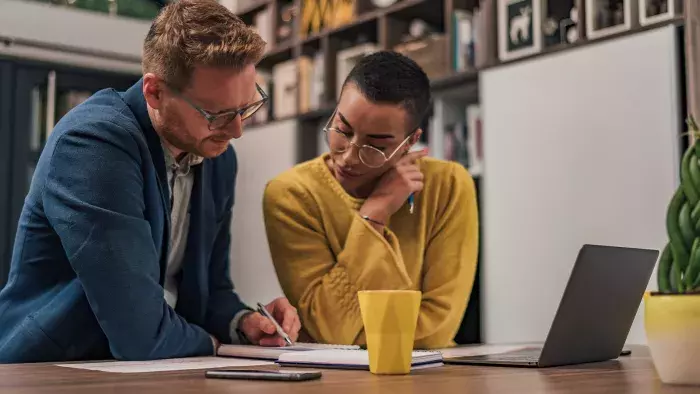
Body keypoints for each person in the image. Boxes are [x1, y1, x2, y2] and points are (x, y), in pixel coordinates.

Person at [0, 0, 300, 363]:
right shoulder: (93, 143)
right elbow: (139, 333)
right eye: (218, 115)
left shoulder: (217, 156)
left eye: (247, 107)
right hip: (52, 369)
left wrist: (244, 323)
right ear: (154, 92)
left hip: (155, 366)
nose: (237, 131)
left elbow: (209, 290)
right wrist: (216, 345)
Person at [263, 51, 479, 349]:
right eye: (342, 129)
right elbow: (327, 329)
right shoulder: (291, 194)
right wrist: (374, 214)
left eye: (376, 145)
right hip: (333, 378)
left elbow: (437, 330)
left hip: (430, 375)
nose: (349, 156)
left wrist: (355, 337)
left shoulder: (449, 185)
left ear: (411, 141)